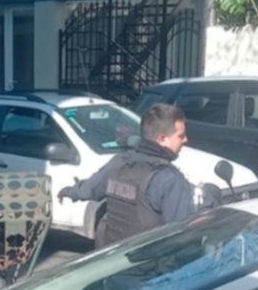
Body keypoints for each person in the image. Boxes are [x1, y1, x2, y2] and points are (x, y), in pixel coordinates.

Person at [58, 103, 195, 247]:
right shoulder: (168, 178)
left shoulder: (120, 162)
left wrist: (69, 192)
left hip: (115, 256)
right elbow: (184, 234)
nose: (185, 140)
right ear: (162, 139)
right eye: (181, 136)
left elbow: (89, 189)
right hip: (149, 258)